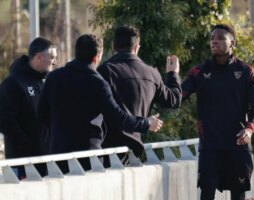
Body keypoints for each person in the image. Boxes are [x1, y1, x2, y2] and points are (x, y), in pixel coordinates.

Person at [37, 34, 163, 173]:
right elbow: (118, 118)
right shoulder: (98, 83)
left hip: (58, 155)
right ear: (97, 57)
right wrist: (146, 123)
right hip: (89, 159)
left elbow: (42, 114)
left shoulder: (54, 77)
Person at [181, 24, 254, 200]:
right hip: (210, 146)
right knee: (206, 195)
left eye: (220, 38)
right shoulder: (199, 72)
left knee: (238, 196)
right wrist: (171, 76)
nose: (214, 42)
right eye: (212, 38)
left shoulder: (246, 72)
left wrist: (249, 129)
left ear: (232, 42)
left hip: (238, 145)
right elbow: (177, 96)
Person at [97, 25, 181, 158]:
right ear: (137, 47)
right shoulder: (152, 74)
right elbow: (174, 100)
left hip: (106, 151)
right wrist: (173, 74)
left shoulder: (104, 71)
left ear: (113, 46)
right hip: (134, 151)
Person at [0, 37, 57, 179]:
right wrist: (26, 145)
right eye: (52, 57)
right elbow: (5, 121)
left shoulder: (48, 82)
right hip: (22, 163)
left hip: (48, 160)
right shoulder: (13, 83)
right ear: (39, 57)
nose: (54, 62)